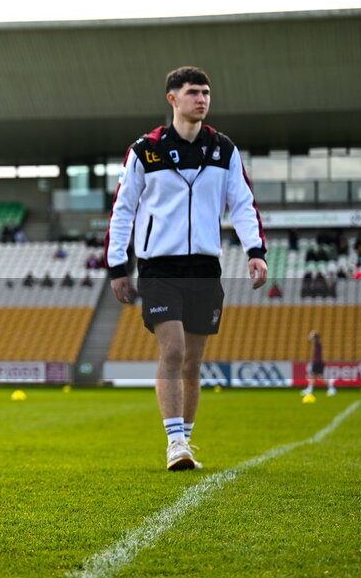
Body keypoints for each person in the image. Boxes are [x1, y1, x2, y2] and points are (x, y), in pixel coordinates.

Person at [105, 66, 267, 471]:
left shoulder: (223, 149)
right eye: (193, 92)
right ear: (172, 98)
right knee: (173, 350)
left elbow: (242, 203)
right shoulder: (145, 150)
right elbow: (123, 208)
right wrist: (117, 265)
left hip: (206, 267)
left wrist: (255, 250)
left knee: (193, 361)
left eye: (207, 92)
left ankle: (186, 442)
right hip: (159, 267)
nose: (202, 99)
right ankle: (174, 441)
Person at [301, 330, 336, 396]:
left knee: (320, 377)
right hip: (317, 363)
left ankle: (331, 389)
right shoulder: (317, 343)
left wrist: (312, 335)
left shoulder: (317, 343)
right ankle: (310, 389)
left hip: (318, 363)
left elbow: (310, 339)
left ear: (315, 338)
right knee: (313, 376)